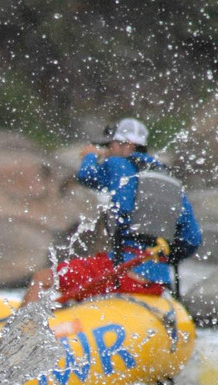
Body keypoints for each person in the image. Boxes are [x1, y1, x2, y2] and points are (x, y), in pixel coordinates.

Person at [24, 118, 202, 303]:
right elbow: (193, 239)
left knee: (42, 278)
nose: (108, 150)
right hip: (157, 284)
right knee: (79, 293)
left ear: (127, 145)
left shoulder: (119, 164)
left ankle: (22, 330)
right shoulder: (171, 182)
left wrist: (91, 156)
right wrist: (159, 257)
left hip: (121, 273)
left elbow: (86, 177)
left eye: (111, 145)